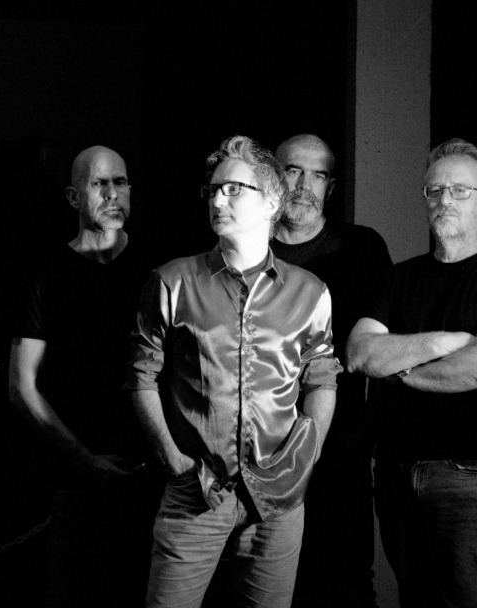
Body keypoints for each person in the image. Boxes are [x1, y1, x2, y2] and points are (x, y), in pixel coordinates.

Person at [125, 134, 342, 608]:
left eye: (234, 189)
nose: (218, 200)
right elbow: (141, 376)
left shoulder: (310, 291)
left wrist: (307, 455)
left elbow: (322, 378)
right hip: (195, 492)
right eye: (213, 190)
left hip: (279, 499)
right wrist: (173, 460)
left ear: (271, 202)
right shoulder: (172, 281)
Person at [346, 138, 477, 608]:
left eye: (461, 190)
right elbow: (359, 353)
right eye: (435, 190)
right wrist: (443, 343)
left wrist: (398, 370)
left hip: (468, 474)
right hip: (395, 469)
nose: (445, 199)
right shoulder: (399, 277)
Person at [8, 145, 160, 608]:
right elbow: (22, 386)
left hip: (152, 473)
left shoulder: (159, 270)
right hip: (76, 477)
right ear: (74, 197)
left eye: (121, 182)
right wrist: (83, 460)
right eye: (99, 184)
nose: (113, 194)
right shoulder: (48, 275)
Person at [271, 134, 391, 608]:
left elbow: (375, 348)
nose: (304, 185)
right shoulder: (247, 247)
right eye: (293, 171)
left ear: (331, 186)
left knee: (344, 583)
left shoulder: (359, 249)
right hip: (260, 450)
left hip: (340, 450)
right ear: (272, 176)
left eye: (318, 175)